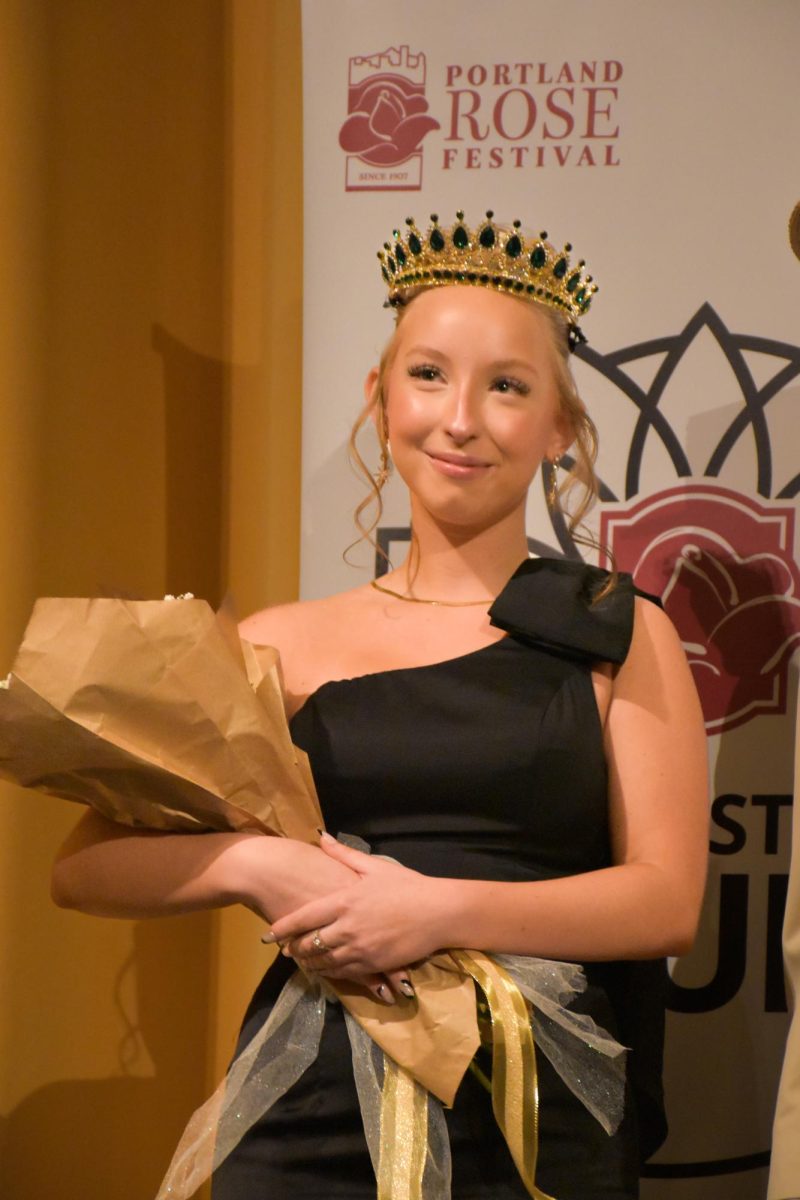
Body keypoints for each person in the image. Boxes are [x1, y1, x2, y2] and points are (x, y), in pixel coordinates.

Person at [51, 210, 709, 1199]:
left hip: (534, 1108)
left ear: (557, 428)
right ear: (378, 395)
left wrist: (432, 910)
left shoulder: (614, 631)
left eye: (506, 387)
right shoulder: (277, 641)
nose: (459, 419)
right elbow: (86, 865)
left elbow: (663, 901)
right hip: (309, 1098)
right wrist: (258, 866)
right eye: (429, 374)